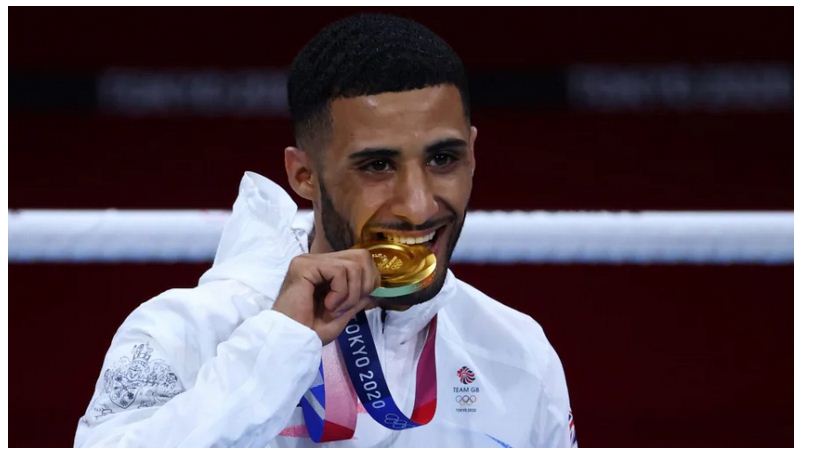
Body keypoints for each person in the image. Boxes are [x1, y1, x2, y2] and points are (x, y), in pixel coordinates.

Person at [74, 13, 576, 447]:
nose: (418, 206)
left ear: (473, 152)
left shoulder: (519, 351)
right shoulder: (186, 332)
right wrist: (276, 347)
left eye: (443, 158)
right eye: (378, 165)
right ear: (304, 176)